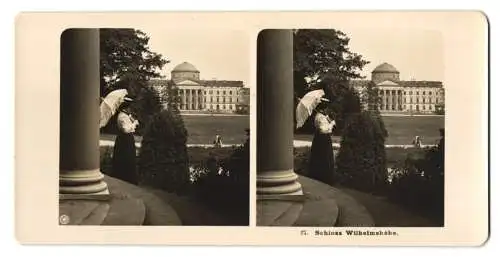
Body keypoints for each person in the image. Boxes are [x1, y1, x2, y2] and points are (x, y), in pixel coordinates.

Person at [112, 99, 140, 185]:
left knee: (129, 157)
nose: (131, 109)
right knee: (126, 158)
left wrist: (131, 120)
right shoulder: (122, 116)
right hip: (125, 140)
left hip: (127, 139)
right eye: (130, 107)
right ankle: (125, 178)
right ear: (126, 108)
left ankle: (127, 178)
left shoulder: (126, 116)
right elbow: (126, 129)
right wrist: (134, 123)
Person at [308, 99, 336, 184]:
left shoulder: (319, 116)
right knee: (324, 157)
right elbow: (323, 130)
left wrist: (327, 120)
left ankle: (318, 176)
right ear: (324, 108)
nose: (328, 110)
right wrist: (332, 124)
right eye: (327, 108)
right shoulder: (320, 117)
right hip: (323, 140)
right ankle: (324, 178)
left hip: (318, 139)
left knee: (319, 156)